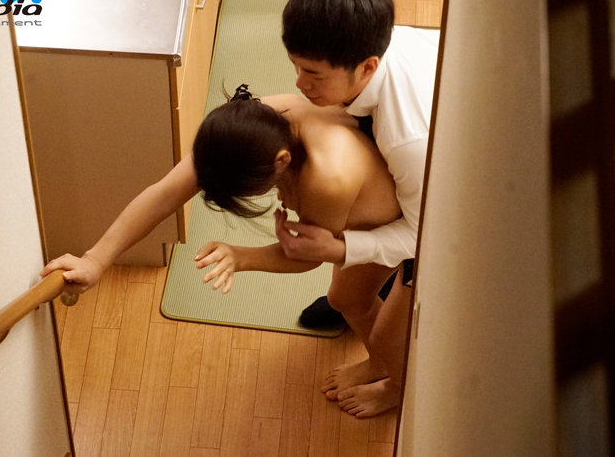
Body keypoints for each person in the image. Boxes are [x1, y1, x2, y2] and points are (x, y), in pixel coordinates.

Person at [41, 85, 407, 417]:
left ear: (281, 162)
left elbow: (312, 255)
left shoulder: (327, 178)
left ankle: (393, 381)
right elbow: (165, 194)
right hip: (361, 201)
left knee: (349, 300)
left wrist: (241, 256)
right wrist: (95, 260)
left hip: (391, 230)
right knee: (344, 298)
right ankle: (380, 349)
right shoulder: (249, 126)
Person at [272, 0, 439, 412]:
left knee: (388, 337)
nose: (299, 84)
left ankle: (397, 385)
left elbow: (425, 237)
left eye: (314, 74)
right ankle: (376, 327)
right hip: (418, 187)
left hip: (450, 211)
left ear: (367, 67)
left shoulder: (408, 141)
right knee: (344, 297)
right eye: (295, 66)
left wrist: (343, 249)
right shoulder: (370, 41)